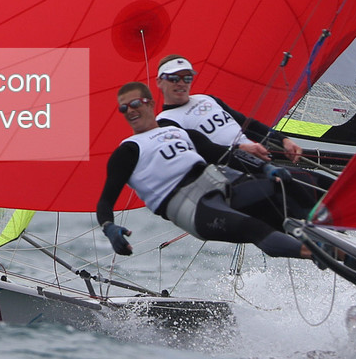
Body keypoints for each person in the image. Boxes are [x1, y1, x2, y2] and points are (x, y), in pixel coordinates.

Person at [96, 82, 306, 260]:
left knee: (284, 191)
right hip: (193, 210)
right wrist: (109, 228)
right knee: (255, 228)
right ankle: (315, 253)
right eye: (124, 109)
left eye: (134, 104)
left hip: (219, 188)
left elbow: (223, 154)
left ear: (150, 103)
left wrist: (266, 168)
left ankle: (333, 245)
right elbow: (105, 201)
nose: (130, 111)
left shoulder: (179, 132)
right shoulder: (127, 150)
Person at [153, 55, 305, 162]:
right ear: (159, 82)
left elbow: (247, 124)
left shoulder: (207, 99)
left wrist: (283, 140)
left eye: (187, 78)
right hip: (230, 175)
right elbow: (201, 150)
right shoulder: (164, 122)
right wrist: (239, 149)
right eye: (173, 78)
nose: (181, 83)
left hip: (259, 161)